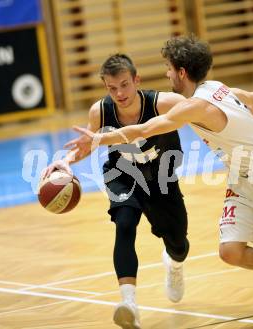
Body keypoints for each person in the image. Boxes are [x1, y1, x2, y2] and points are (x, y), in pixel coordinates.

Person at [65, 35, 253, 318]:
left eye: (169, 68)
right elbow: (232, 91)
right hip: (242, 177)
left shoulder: (195, 106)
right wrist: (251, 98)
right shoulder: (211, 88)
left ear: (181, 72)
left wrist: (99, 138)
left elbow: (145, 129)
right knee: (230, 251)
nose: (167, 73)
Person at [42, 54, 191, 329]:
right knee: (124, 224)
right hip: (122, 174)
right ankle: (129, 304)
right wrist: (65, 161)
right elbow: (88, 144)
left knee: (179, 244)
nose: (119, 93)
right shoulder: (100, 111)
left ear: (136, 80)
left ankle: (174, 263)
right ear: (105, 87)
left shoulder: (162, 103)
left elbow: (200, 108)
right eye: (112, 88)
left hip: (161, 178)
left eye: (124, 85)